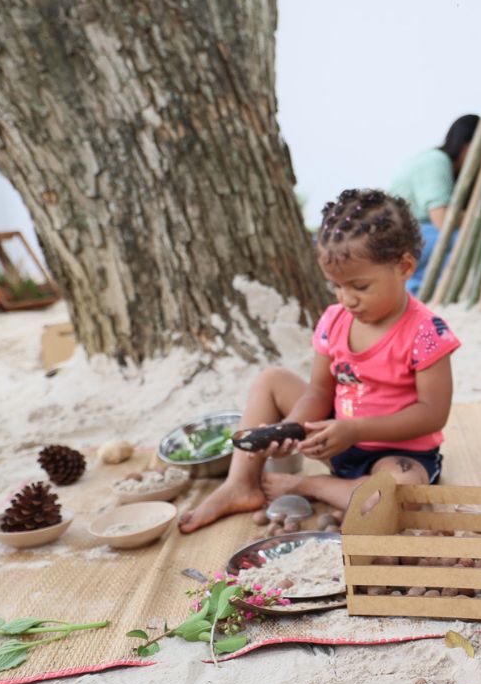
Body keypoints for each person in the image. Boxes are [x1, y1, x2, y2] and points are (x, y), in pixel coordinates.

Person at [180, 188, 460, 532]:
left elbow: (433, 414)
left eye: (359, 286)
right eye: (336, 287)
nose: (347, 299)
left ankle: (311, 487)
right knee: (271, 379)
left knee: (398, 495)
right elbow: (318, 392)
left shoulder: (426, 332)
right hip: (336, 438)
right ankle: (241, 484)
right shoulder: (334, 320)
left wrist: (355, 430)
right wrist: (294, 428)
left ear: (403, 267)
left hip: (397, 455)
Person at [387, 114, 479, 295]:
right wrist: (479, 218)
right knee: (464, 239)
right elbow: (442, 219)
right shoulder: (435, 160)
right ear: (467, 146)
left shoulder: (451, 172)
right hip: (399, 237)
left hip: (415, 236)